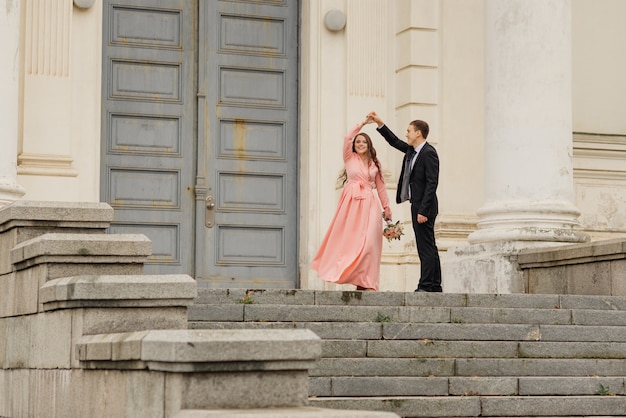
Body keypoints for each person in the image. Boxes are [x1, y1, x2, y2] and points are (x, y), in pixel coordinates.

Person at [312, 118, 392, 291]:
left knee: (371, 242)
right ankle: (351, 275)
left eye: (364, 142)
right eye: (358, 142)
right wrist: (362, 124)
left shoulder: (375, 164)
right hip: (351, 204)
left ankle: (366, 281)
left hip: (370, 204)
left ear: (369, 145)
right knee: (351, 242)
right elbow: (348, 138)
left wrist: (386, 208)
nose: (360, 144)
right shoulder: (349, 157)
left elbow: (381, 187)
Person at [367, 111, 442, 292]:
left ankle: (426, 285)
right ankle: (434, 285)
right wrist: (379, 123)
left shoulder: (429, 152)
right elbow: (394, 141)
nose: (406, 134)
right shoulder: (412, 150)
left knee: (425, 247)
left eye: (409, 131)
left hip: (425, 207)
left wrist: (423, 210)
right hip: (418, 205)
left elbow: (432, 183)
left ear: (418, 133)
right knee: (429, 245)